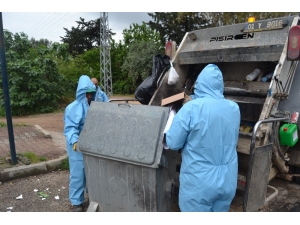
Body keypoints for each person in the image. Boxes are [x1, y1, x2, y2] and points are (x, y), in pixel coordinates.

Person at [166, 64, 241, 212]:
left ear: (199, 84)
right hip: (228, 181)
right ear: (220, 85)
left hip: (199, 185)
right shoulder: (234, 108)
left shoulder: (191, 108)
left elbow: (173, 143)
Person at [63, 75, 96, 212]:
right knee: (78, 173)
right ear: (82, 92)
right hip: (77, 147)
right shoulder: (73, 108)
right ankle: (77, 202)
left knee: (92, 172)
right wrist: (75, 141)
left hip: (91, 144)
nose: (89, 96)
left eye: (91, 93)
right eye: (87, 93)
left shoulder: (93, 105)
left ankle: (93, 196)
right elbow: (70, 128)